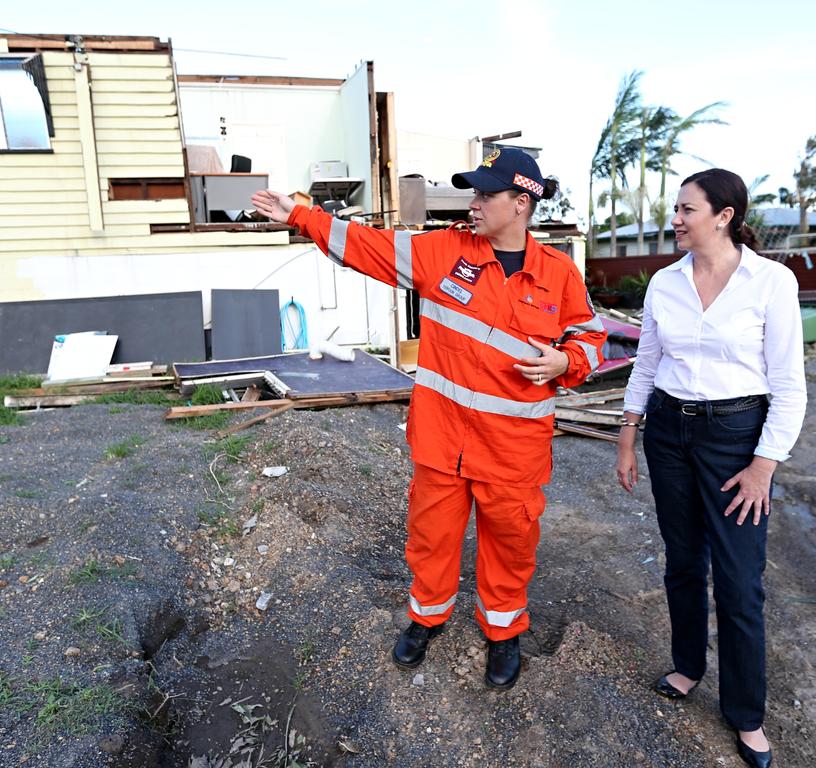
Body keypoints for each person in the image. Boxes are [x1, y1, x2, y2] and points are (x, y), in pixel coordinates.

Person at [253, 147, 606, 689]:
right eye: (475, 192)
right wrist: (302, 215)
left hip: (514, 448)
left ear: (521, 203)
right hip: (443, 440)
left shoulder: (557, 273)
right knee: (431, 537)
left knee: (510, 543)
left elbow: (590, 338)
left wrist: (566, 360)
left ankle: (503, 631)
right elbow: (366, 247)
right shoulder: (445, 252)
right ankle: (427, 618)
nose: (474, 202)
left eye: (486, 194)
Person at [615, 168, 806, 768]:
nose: (675, 218)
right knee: (682, 561)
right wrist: (628, 435)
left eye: (686, 209)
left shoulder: (770, 282)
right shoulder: (665, 283)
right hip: (668, 433)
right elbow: (645, 364)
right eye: (677, 209)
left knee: (740, 581)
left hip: (735, 437)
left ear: (723, 215)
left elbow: (789, 385)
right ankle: (688, 666)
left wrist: (763, 466)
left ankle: (746, 716)